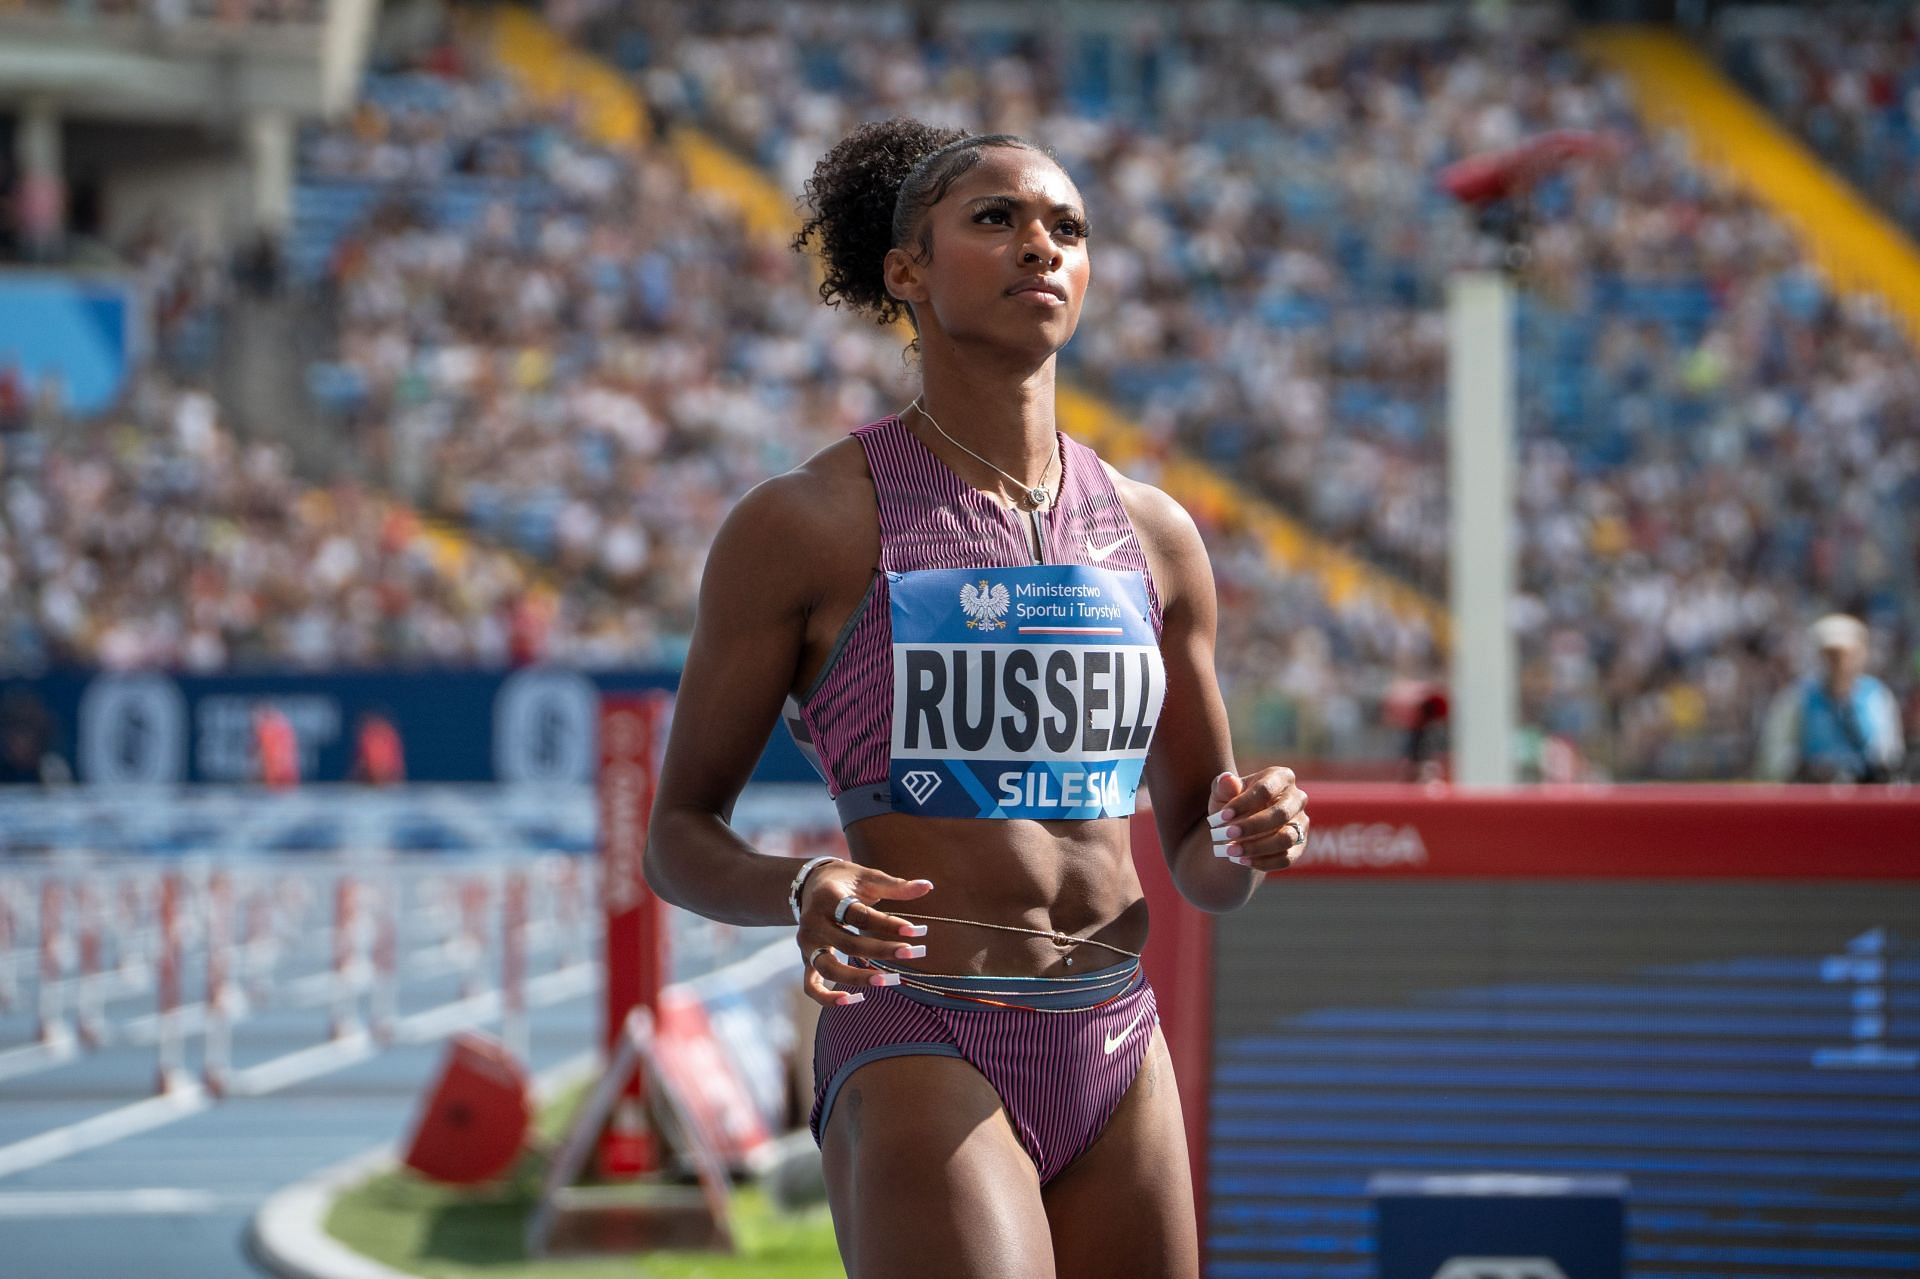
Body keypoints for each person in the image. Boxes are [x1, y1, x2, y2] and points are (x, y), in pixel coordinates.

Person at [644, 119, 1310, 1278]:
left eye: (1068, 227)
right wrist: (801, 884)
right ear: (907, 272)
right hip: (920, 1027)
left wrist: (1251, 832)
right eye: (996, 220)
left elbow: (1205, 860)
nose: (1040, 246)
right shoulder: (806, 524)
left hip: (1112, 1028)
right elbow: (676, 836)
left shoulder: (1157, 538)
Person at [1757, 612, 1906, 783]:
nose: (1839, 662)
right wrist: (1806, 768)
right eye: (1832, 654)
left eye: (1846, 654)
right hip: (1813, 799)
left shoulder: (1876, 696)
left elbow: (1890, 752)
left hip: (1866, 798)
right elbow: (1773, 757)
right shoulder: (1798, 698)